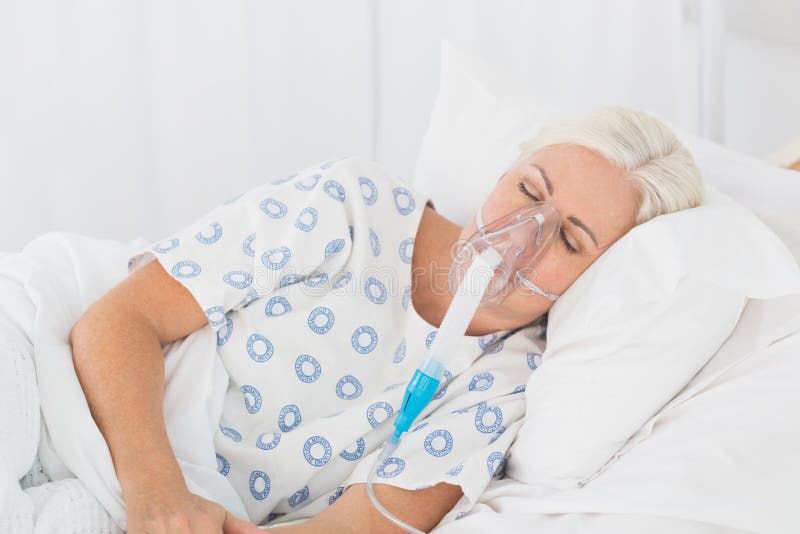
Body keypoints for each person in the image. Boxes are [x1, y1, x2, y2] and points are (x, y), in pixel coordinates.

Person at [69, 106, 704, 533]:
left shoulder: (512, 385)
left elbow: (356, 529)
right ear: (505, 170)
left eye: (569, 240)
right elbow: (121, 319)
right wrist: (156, 491)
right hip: (82, 411)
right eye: (529, 193)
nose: (518, 240)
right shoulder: (353, 207)